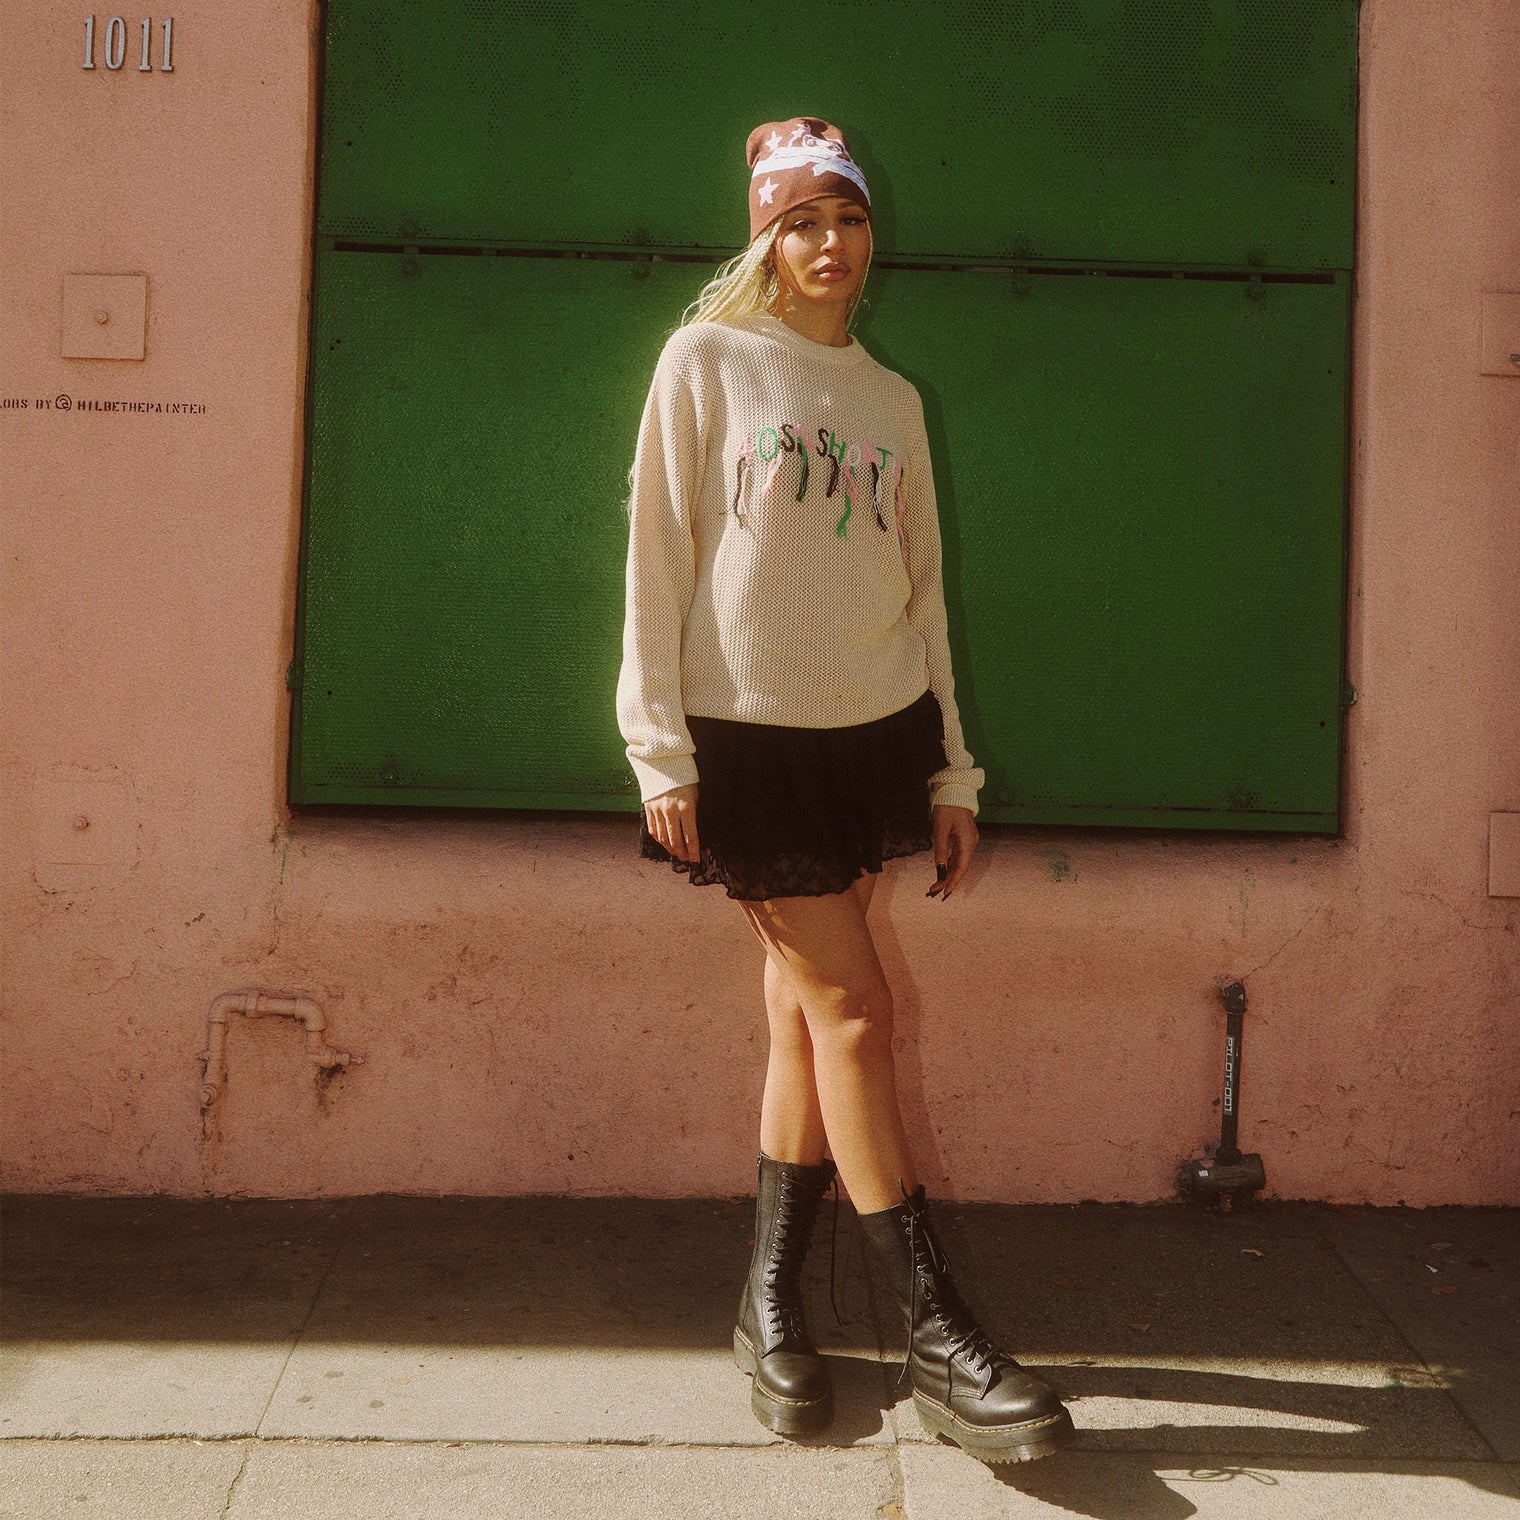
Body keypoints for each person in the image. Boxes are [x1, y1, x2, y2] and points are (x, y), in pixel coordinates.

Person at [615, 117, 1076, 1466]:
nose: (830, 244)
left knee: (803, 1014)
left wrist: (951, 768)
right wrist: (659, 750)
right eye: (801, 221)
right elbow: (656, 557)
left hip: (871, 732)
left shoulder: (892, 400)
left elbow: (924, 597)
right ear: (765, 237)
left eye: (849, 218)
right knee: (857, 1010)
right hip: (748, 741)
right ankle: (935, 1331)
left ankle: (769, 1309)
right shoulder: (706, 363)